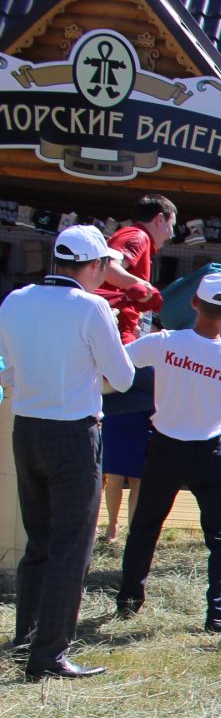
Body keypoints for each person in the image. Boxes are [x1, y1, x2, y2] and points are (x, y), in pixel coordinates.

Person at [0, 225, 136, 679]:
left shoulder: (15, 300)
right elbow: (123, 377)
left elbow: (9, 373)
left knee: (38, 542)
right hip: (74, 434)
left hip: (28, 430)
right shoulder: (93, 307)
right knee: (70, 547)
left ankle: (27, 638)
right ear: (94, 266)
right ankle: (49, 654)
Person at [115, 272, 221, 632]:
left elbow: (118, 363)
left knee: (145, 526)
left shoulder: (163, 342)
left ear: (193, 303)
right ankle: (218, 613)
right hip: (209, 452)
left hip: (164, 447)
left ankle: (128, 601)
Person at [97, 195, 175, 542]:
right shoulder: (137, 237)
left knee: (152, 393)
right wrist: (140, 286)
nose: (171, 234)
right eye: (171, 224)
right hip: (122, 340)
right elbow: (107, 267)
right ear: (160, 218)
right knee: (164, 388)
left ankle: (96, 407)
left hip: (125, 339)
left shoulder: (137, 239)